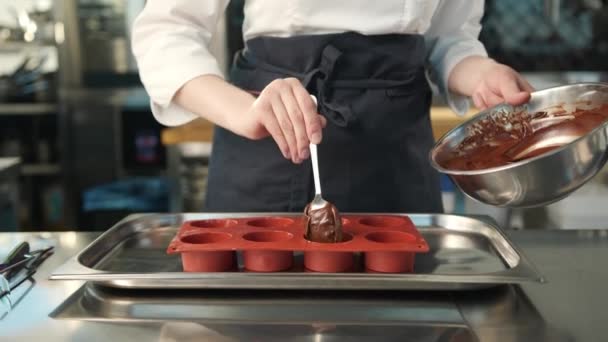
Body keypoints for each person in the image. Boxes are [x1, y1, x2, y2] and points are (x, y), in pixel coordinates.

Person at [132, 1, 534, 213]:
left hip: (393, 150)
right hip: (272, 137)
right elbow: (169, 29)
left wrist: (481, 74)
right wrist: (243, 110)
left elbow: (447, 37)